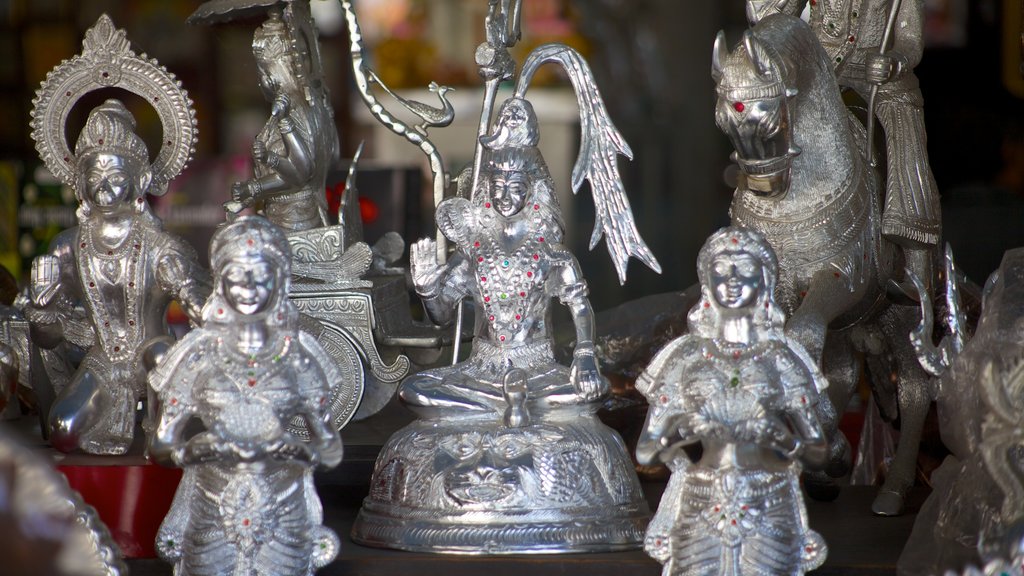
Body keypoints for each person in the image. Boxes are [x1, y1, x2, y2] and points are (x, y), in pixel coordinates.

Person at [149, 216, 343, 575]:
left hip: (283, 508)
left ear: (279, 279)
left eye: (260, 275)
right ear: (220, 282)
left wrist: (295, 451)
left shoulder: (298, 354)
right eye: (237, 276)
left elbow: (330, 449)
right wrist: (194, 450)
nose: (249, 287)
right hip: (212, 506)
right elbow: (160, 447)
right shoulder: (197, 354)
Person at [636, 227, 829, 575]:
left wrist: (784, 439)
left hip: (768, 499)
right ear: (707, 282)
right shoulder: (683, 357)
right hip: (700, 499)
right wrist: (678, 434)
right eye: (722, 269)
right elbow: (646, 451)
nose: (733, 279)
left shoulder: (782, 357)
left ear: (765, 282)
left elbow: (818, 453)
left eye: (744, 268)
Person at [402, 97, 604, 425]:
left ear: (533, 192)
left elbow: (581, 308)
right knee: (417, 390)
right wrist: (427, 288)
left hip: (538, 372)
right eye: (496, 187)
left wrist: (585, 357)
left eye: (514, 187)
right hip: (481, 372)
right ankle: (505, 408)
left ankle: (507, 408)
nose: (504, 196)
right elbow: (441, 316)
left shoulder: (553, 255)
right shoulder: (473, 251)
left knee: (587, 394)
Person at [25, 100, 209, 455]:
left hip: (152, 353)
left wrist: (185, 286)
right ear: (79, 183)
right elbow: (47, 339)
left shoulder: (159, 245)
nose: (104, 189)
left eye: (116, 178)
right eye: (94, 178)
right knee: (62, 430)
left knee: (160, 357)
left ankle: (158, 428)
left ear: (140, 180)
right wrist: (41, 308)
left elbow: (199, 298)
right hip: (103, 360)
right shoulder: (68, 247)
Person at [748, 0, 940, 291]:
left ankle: (915, 249)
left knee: (904, 116)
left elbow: (911, 38)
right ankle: (754, 212)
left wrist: (895, 60)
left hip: (877, 73)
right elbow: (776, 18)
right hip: (819, 66)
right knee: (768, 111)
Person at [228, 9, 339, 232]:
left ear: (272, 74)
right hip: (287, 215)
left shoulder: (291, 110)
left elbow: (300, 171)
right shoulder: (306, 104)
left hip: (294, 223)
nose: (262, 81)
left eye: (263, 72)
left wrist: (254, 187)